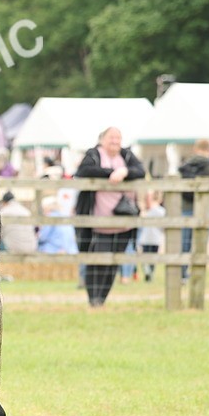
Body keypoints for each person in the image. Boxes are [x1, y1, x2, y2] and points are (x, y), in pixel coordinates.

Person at [74, 126, 145, 307]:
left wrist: (124, 172)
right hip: (97, 220)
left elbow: (140, 171)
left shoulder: (127, 156)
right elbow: (84, 171)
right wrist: (110, 173)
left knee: (114, 263)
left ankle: (102, 299)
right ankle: (93, 299)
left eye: (118, 138)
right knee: (97, 261)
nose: (115, 142)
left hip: (123, 221)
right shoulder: (93, 155)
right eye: (111, 138)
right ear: (102, 139)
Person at [177, 139, 209, 280]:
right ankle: (197, 275)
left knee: (184, 244)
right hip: (205, 211)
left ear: (195, 149)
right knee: (200, 246)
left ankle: (182, 275)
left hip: (186, 210)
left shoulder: (184, 166)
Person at [138, 191, 166, 282]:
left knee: (147, 257)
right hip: (152, 239)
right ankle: (149, 273)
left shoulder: (148, 211)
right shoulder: (161, 211)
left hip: (149, 238)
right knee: (151, 258)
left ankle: (148, 273)